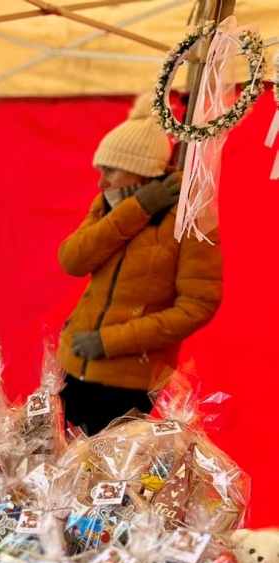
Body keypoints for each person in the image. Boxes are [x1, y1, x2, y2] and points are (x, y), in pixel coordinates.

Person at [56, 97, 222, 435]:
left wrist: (109, 342)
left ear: (141, 169)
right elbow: (72, 260)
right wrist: (137, 209)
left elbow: (198, 306)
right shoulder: (110, 204)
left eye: (110, 170)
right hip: (72, 365)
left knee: (105, 476)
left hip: (127, 382)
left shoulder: (191, 217)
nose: (102, 182)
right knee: (59, 467)